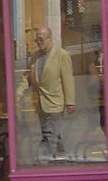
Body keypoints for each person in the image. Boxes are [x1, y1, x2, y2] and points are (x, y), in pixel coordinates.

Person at [26, 26, 75, 161]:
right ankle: (63, 157)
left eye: (41, 40)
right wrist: (17, 93)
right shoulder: (35, 56)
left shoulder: (62, 55)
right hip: (41, 103)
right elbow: (28, 77)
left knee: (49, 136)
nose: (39, 43)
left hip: (55, 103)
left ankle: (43, 161)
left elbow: (68, 79)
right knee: (53, 133)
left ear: (49, 38)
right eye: (37, 40)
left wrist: (70, 102)